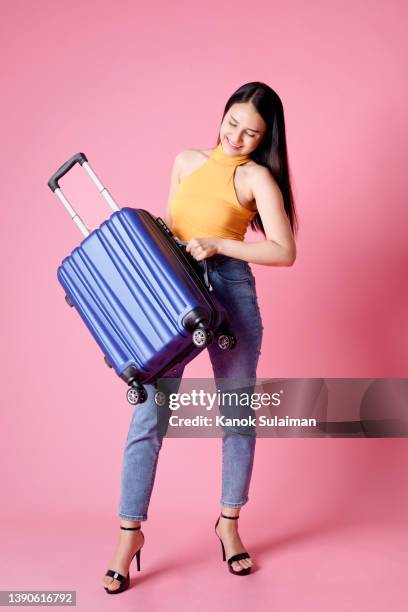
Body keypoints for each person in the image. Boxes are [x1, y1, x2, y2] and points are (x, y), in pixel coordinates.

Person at [102, 81, 298, 593]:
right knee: (149, 412)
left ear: (264, 139)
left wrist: (221, 245)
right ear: (222, 115)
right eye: (232, 123)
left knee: (236, 415)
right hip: (175, 290)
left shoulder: (258, 180)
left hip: (231, 294)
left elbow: (284, 251)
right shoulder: (187, 161)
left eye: (250, 133)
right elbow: (171, 226)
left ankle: (229, 526)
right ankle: (129, 535)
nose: (237, 137)